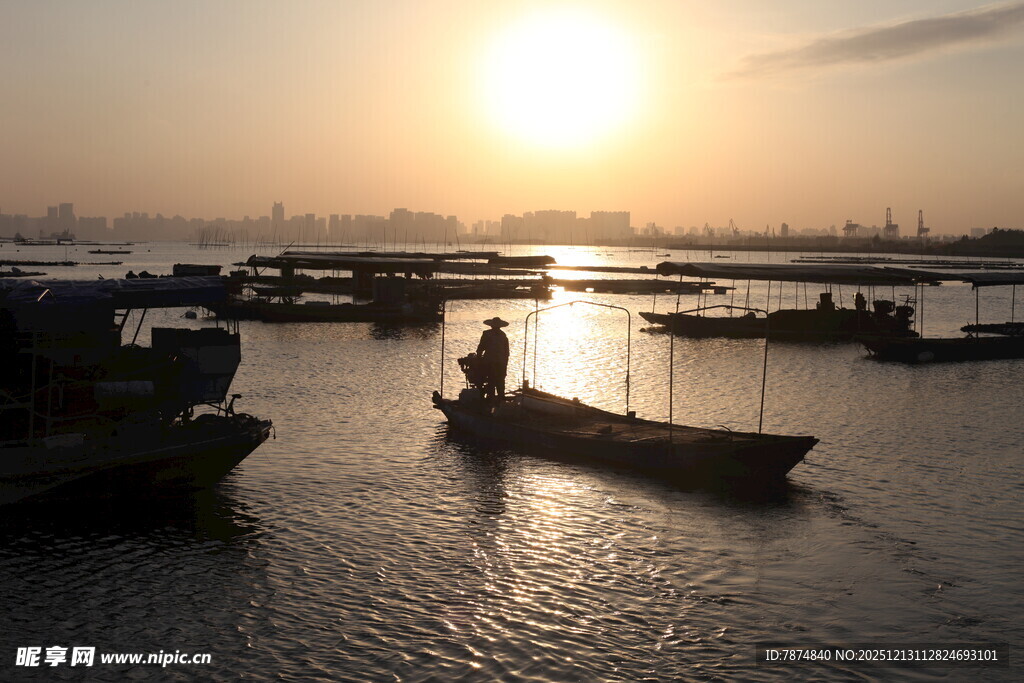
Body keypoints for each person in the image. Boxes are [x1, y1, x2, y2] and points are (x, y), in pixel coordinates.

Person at [477, 317, 509, 403]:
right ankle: (500, 399)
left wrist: (478, 359)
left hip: (490, 362)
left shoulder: (487, 334)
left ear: (491, 325)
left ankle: (491, 400)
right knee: (500, 381)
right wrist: (505, 364)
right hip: (501, 362)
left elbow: (481, 347)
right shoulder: (503, 335)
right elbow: (507, 353)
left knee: (491, 381)